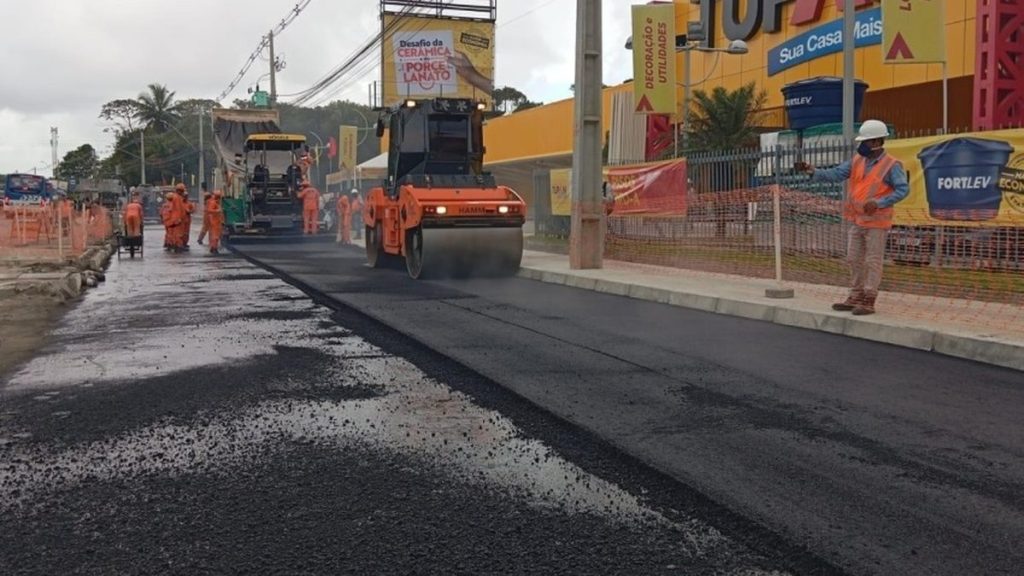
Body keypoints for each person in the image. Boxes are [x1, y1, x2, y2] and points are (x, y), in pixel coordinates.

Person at [795, 119, 909, 316]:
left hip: (877, 222)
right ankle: (855, 294)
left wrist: (880, 203)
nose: (861, 145)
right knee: (853, 258)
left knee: (873, 261)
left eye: (864, 142)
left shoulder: (891, 165)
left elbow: (903, 190)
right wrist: (811, 170)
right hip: (857, 219)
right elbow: (836, 174)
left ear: (876, 142)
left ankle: (869, 298)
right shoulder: (857, 160)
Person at [206, 190, 225, 254]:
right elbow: (209, 210)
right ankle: (214, 248)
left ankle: (213, 247)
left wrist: (222, 220)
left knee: (216, 236)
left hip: (217, 222)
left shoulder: (216, 203)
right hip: (215, 222)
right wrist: (217, 211)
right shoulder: (213, 202)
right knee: (215, 236)